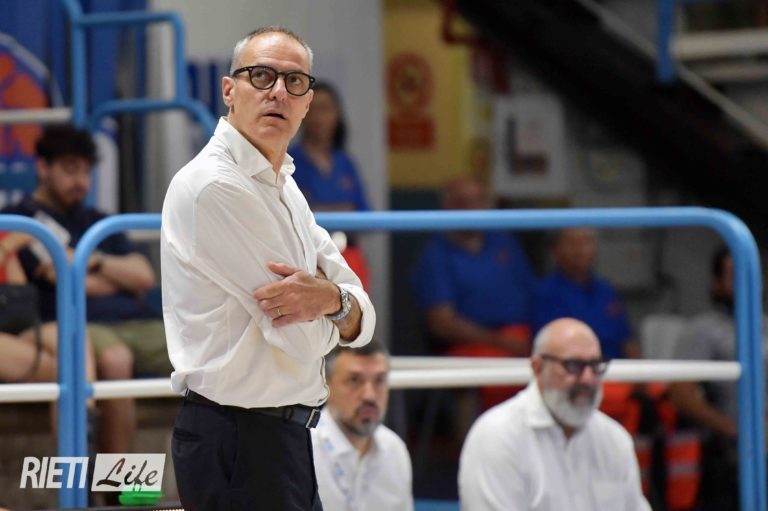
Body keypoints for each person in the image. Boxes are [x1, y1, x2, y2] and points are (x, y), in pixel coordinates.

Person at [161, 26, 375, 511]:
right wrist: (340, 309)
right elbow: (306, 340)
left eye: (294, 81)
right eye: (261, 76)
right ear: (229, 90)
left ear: (307, 101)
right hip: (237, 439)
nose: (278, 91)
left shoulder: (283, 180)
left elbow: (361, 316)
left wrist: (331, 299)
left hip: (282, 438)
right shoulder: (215, 186)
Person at [2, 123, 172, 454]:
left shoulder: (99, 221)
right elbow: (58, 283)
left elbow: (143, 276)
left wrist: (91, 261)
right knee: (115, 360)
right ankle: (115, 482)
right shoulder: (21, 220)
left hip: (139, 320)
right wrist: (116, 278)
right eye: (70, 169)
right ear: (43, 168)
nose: (80, 180)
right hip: (79, 323)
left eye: (85, 171)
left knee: (203, 350)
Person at [458, 318, 650, 511]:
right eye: (573, 365)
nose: (588, 378)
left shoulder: (615, 439)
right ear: (538, 367)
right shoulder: (498, 435)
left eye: (595, 365)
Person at [410, 175, 535, 409]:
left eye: (478, 201)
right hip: (471, 349)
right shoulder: (435, 255)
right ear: (447, 206)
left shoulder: (504, 243)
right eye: (462, 202)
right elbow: (442, 324)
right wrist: (503, 342)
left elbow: (534, 296)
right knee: (486, 377)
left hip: (522, 340)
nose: (471, 209)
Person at [667, 247, 768, 510]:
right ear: (716, 282)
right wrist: (733, 429)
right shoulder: (703, 329)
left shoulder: (764, 324)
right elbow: (680, 394)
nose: (745, 281)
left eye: (751, 273)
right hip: (730, 450)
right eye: (733, 274)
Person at [312, 339, 413, 511]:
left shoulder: (394, 449)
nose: (369, 395)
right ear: (326, 385)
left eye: (379, 380)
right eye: (354, 380)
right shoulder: (305, 450)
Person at [291, 81, 371, 288]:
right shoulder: (288, 160)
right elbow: (291, 217)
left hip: (349, 257)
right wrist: (343, 211)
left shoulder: (345, 162)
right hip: (305, 261)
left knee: (355, 307)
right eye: (312, 108)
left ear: (337, 115)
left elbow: (364, 213)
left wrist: (319, 211)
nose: (318, 117)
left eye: (325, 108)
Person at [534, 228, 639, 360]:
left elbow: (628, 342)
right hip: (573, 368)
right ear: (555, 250)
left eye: (586, 242)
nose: (580, 250)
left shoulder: (606, 290)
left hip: (616, 368)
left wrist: (639, 371)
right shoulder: (545, 293)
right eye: (571, 243)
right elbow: (548, 351)